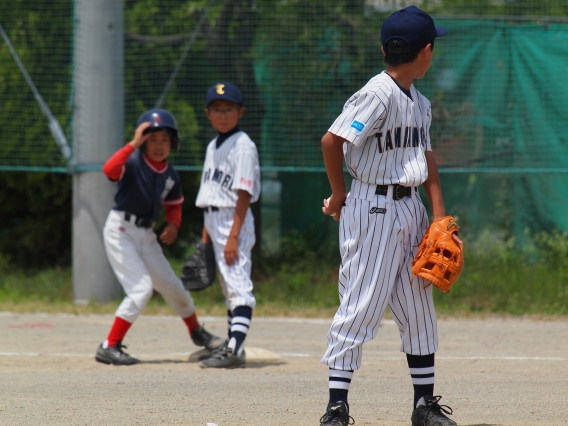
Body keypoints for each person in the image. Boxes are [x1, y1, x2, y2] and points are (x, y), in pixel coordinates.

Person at [318, 6, 460, 426]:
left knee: (417, 307)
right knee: (360, 304)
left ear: (385, 48)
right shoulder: (376, 94)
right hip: (372, 207)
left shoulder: (420, 102)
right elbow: (332, 141)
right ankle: (336, 407)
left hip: (410, 208)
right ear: (426, 52)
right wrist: (340, 195)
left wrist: (438, 216)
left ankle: (423, 405)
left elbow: (425, 159)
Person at [95, 108, 224, 366]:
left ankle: (196, 332)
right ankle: (109, 345)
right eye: (152, 139)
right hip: (121, 230)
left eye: (164, 139)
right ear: (143, 141)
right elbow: (109, 169)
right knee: (141, 289)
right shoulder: (132, 163)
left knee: (173, 286)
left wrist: (174, 225)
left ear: (172, 142)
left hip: (146, 234)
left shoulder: (170, 175)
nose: (159, 145)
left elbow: (174, 206)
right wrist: (133, 143)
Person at [194, 82, 260, 369]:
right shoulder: (213, 145)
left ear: (240, 112)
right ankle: (235, 345)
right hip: (215, 219)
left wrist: (233, 236)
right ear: (208, 114)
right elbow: (210, 194)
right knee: (227, 287)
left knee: (238, 285)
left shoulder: (243, 146)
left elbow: (243, 193)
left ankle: (233, 348)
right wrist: (205, 239)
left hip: (234, 219)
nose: (223, 115)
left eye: (229, 109)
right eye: (217, 110)